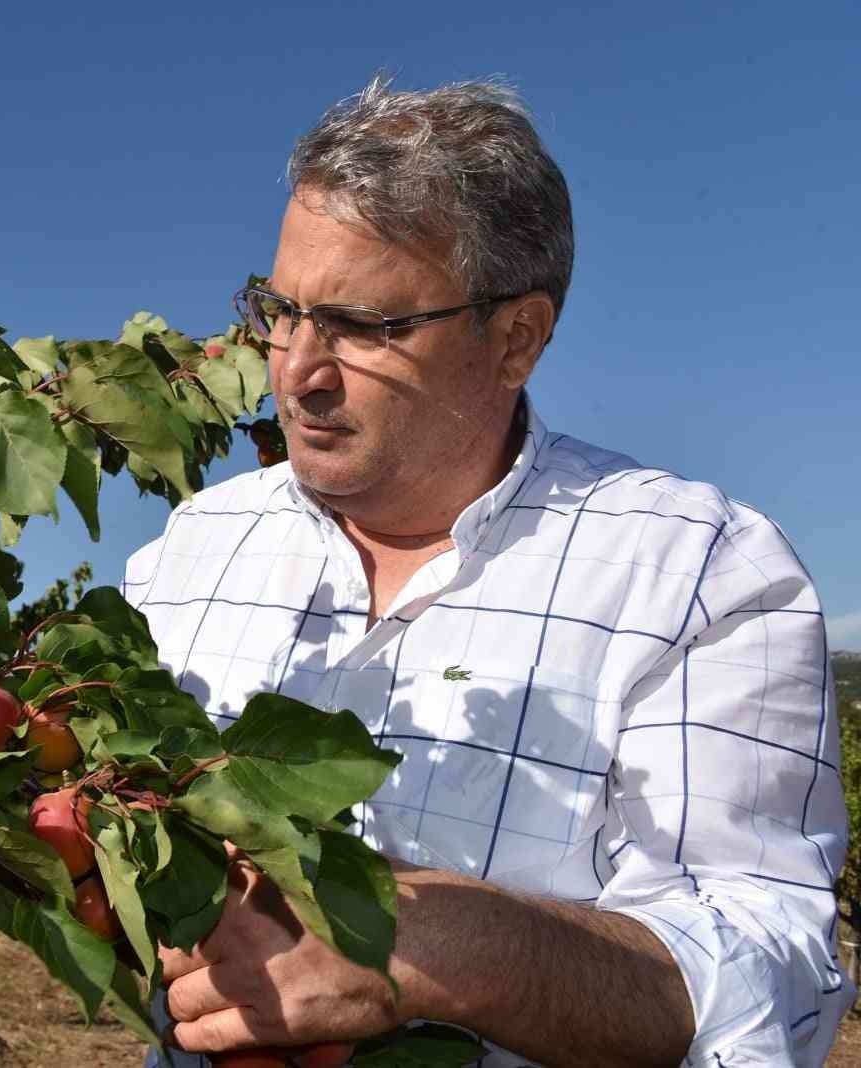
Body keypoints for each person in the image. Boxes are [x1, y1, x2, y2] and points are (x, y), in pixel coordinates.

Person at [123, 76, 852, 1066]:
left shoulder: (695, 575)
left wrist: (468, 947)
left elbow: (773, 968)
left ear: (516, 338)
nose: (294, 367)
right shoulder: (187, 556)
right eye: (280, 310)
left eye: (364, 326)